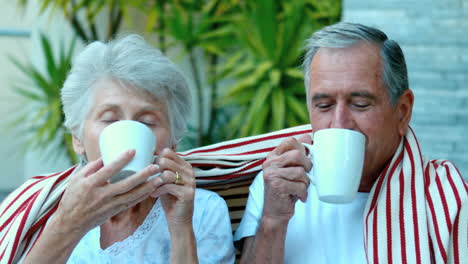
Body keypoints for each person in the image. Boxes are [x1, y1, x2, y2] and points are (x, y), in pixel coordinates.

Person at [234, 22, 467, 263]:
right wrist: (273, 219)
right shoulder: (278, 185)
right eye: (324, 106)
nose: (339, 123)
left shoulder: (443, 198)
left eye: (360, 104)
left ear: (403, 111)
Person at [7, 34, 235, 263]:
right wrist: (69, 224)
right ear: (78, 138)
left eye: (146, 122)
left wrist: (180, 227)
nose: (128, 135)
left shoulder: (202, 210)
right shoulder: (40, 207)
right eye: (109, 119)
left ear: (172, 142)